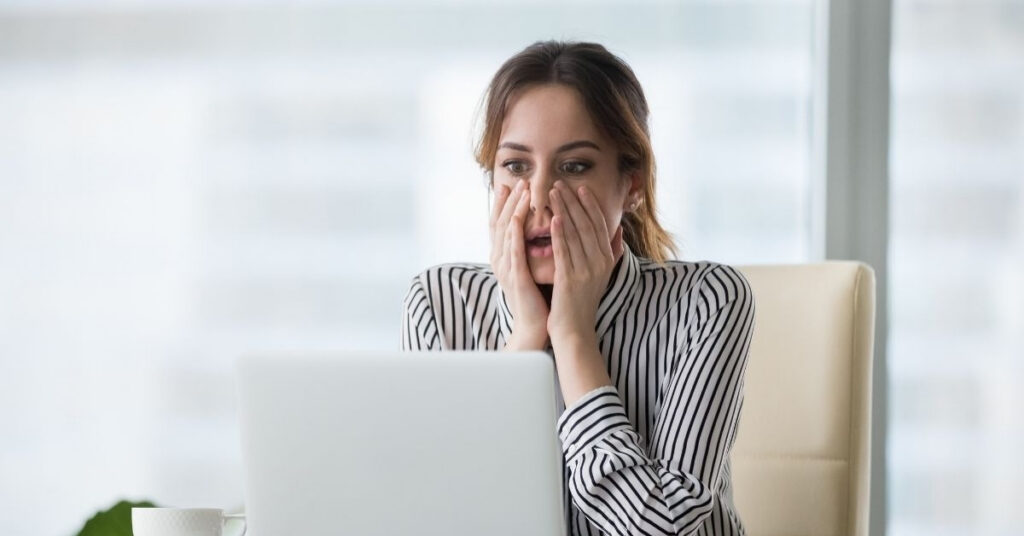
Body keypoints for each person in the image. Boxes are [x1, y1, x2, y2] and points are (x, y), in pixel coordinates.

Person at [401, 39, 755, 536]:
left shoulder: (707, 300)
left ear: (631, 185)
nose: (541, 199)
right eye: (516, 166)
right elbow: (440, 516)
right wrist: (526, 337)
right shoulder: (441, 303)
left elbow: (661, 528)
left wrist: (572, 338)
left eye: (574, 167)